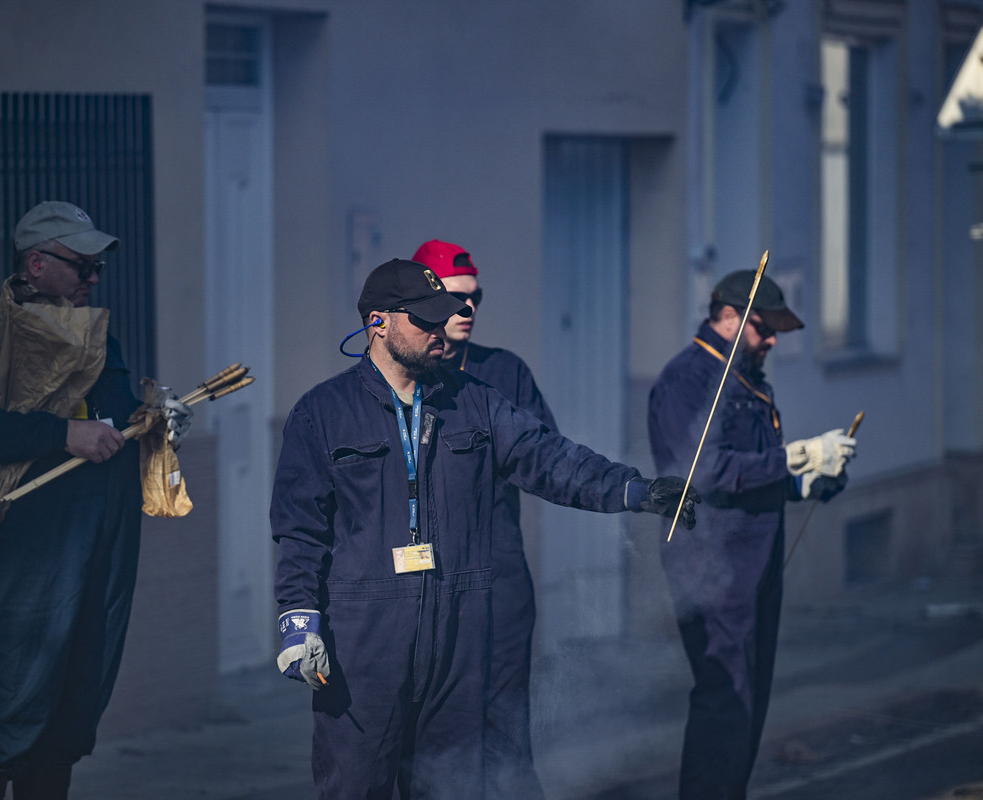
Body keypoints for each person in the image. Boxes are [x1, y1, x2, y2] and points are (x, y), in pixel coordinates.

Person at [272, 257, 699, 799]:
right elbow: (300, 529)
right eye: (425, 320)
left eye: (442, 316)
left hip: (460, 636)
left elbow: (550, 459)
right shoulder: (322, 413)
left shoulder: (474, 401)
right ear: (378, 322)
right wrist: (297, 619)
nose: (440, 331)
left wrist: (636, 490)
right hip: (363, 645)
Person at [0, 201, 191, 800]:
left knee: (72, 708)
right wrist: (61, 434)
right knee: (10, 700)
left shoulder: (98, 335)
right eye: (82, 267)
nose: (93, 280)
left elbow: (111, 423)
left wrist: (153, 425)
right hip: (27, 550)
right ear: (37, 263)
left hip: (102, 542)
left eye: (99, 269)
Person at [647, 270, 856, 800]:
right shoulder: (689, 378)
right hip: (711, 568)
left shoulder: (746, 376)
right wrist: (799, 455)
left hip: (754, 563)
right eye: (764, 328)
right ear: (730, 317)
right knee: (725, 700)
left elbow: (753, 474)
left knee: (750, 701)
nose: (773, 340)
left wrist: (807, 481)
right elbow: (701, 472)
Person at [411, 239, 555, 799]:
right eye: (455, 299)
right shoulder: (403, 374)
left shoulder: (504, 372)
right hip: (424, 580)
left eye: (476, 300)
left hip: (497, 573)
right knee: (430, 739)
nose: (467, 312)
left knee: (503, 730)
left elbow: (546, 457)